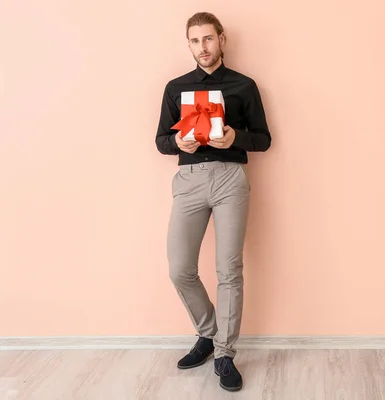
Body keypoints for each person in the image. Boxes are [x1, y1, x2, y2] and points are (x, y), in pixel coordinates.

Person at [154, 11, 271, 392]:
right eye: (194, 41)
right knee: (179, 268)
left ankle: (224, 353)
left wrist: (234, 136)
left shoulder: (244, 85)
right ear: (188, 44)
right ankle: (207, 333)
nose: (202, 47)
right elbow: (160, 141)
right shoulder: (176, 88)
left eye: (208, 39)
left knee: (229, 269)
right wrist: (178, 143)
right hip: (188, 180)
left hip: (229, 179)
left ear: (221, 39)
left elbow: (264, 139)